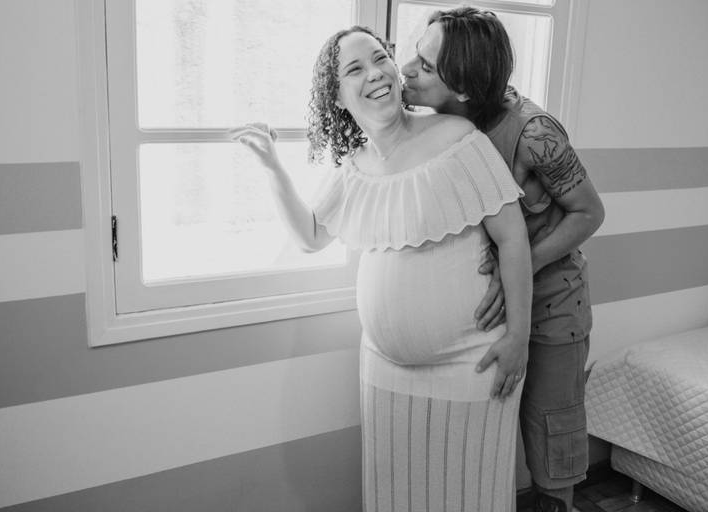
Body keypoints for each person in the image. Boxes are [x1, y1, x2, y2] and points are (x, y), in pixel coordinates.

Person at [232, 25, 532, 512]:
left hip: (472, 363)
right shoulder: (354, 167)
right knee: (397, 495)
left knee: (472, 491)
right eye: (355, 68)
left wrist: (519, 336)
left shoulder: (456, 137)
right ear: (337, 96)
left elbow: (512, 238)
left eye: (379, 58)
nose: (375, 73)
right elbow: (310, 235)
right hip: (386, 371)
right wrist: (272, 167)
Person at [400, 7, 606, 512]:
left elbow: (589, 213)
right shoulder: (439, 124)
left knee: (549, 448)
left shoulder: (534, 134)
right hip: (488, 309)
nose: (407, 69)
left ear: (464, 88)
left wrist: (520, 269)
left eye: (425, 66)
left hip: (552, 308)